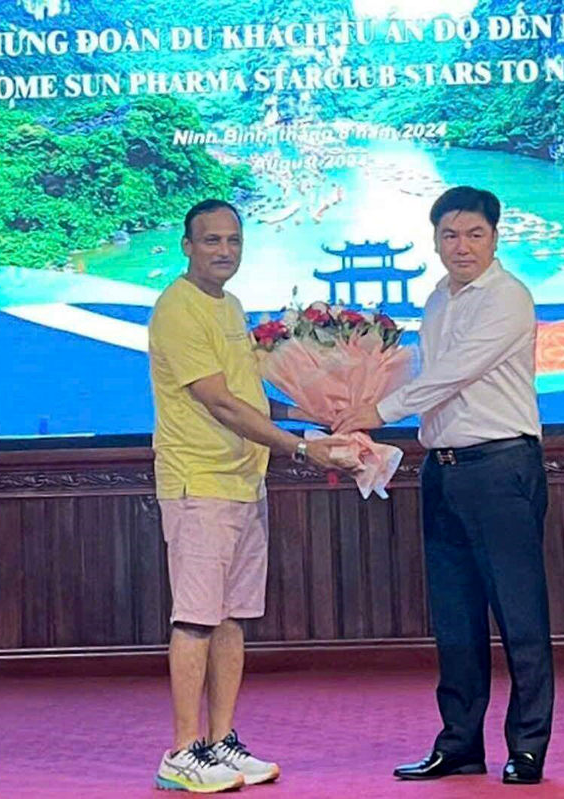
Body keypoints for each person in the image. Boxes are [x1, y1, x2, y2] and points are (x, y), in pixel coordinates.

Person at [335, 186, 553, 785]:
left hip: (501, 468)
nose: (462, 246)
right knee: (454, 617)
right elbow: (427, 376)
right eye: (450, 235)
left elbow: (454, 376)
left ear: (495, 237)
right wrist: (350, 403)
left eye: (474, 235)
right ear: (434, 239)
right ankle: (459, 743)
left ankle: (528, 746)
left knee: (518, 614)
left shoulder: (507, 298)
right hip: (444, 469)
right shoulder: (437, 298)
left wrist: (375, 413)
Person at [149, 199, 346, 793]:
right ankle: (181, 751)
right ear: (187, 245)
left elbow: (251, 398)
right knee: (195, 619)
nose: (224, 251)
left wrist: (323, 416)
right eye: (211, 240)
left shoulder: (230, 306)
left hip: (243, 480)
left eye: (233, 240)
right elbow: (221, 403)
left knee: (231, 618)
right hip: (199, 482)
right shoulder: (177, 310)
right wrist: (300, 449)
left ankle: (220, 741)